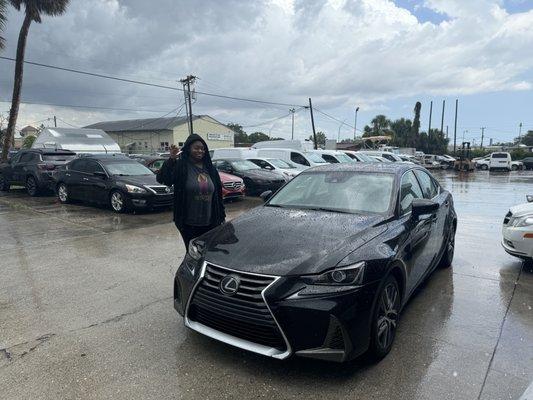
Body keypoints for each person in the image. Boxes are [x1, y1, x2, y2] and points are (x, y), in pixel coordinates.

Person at [156, 134, 225, 248]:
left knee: (209, 253)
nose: (200, 151)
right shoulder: (181, 167)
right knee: (193, 253)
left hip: (211, 222)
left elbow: (218, 195)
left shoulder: (211, 169)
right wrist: (171, 159)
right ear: (188, 149)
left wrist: (221, 217)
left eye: (202, 148)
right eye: (196, 148)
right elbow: (163, 179)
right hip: (188, 223)